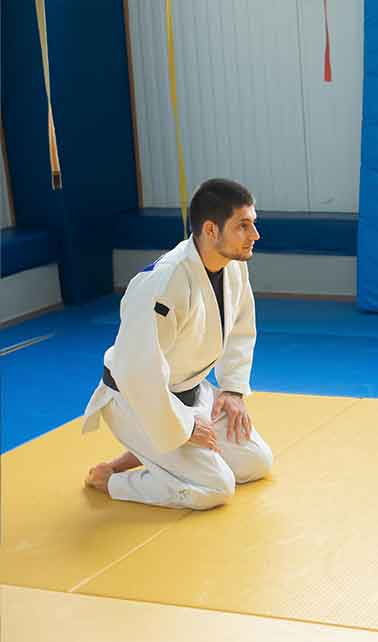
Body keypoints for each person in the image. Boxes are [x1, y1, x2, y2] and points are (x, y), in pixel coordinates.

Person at [82, 178, 272, 510]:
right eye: (243, 226)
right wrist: (183, 427)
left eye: (253, 224)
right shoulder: (165, 283)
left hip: (191, 392)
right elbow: (137, 369)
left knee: (256, 462)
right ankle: (113, 480)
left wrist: (232, 390)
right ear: (211, 230)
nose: (254, 236)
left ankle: (150, 453)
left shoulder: (233, 268)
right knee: (217, 487)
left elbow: (241, 328)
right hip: (137, 401)